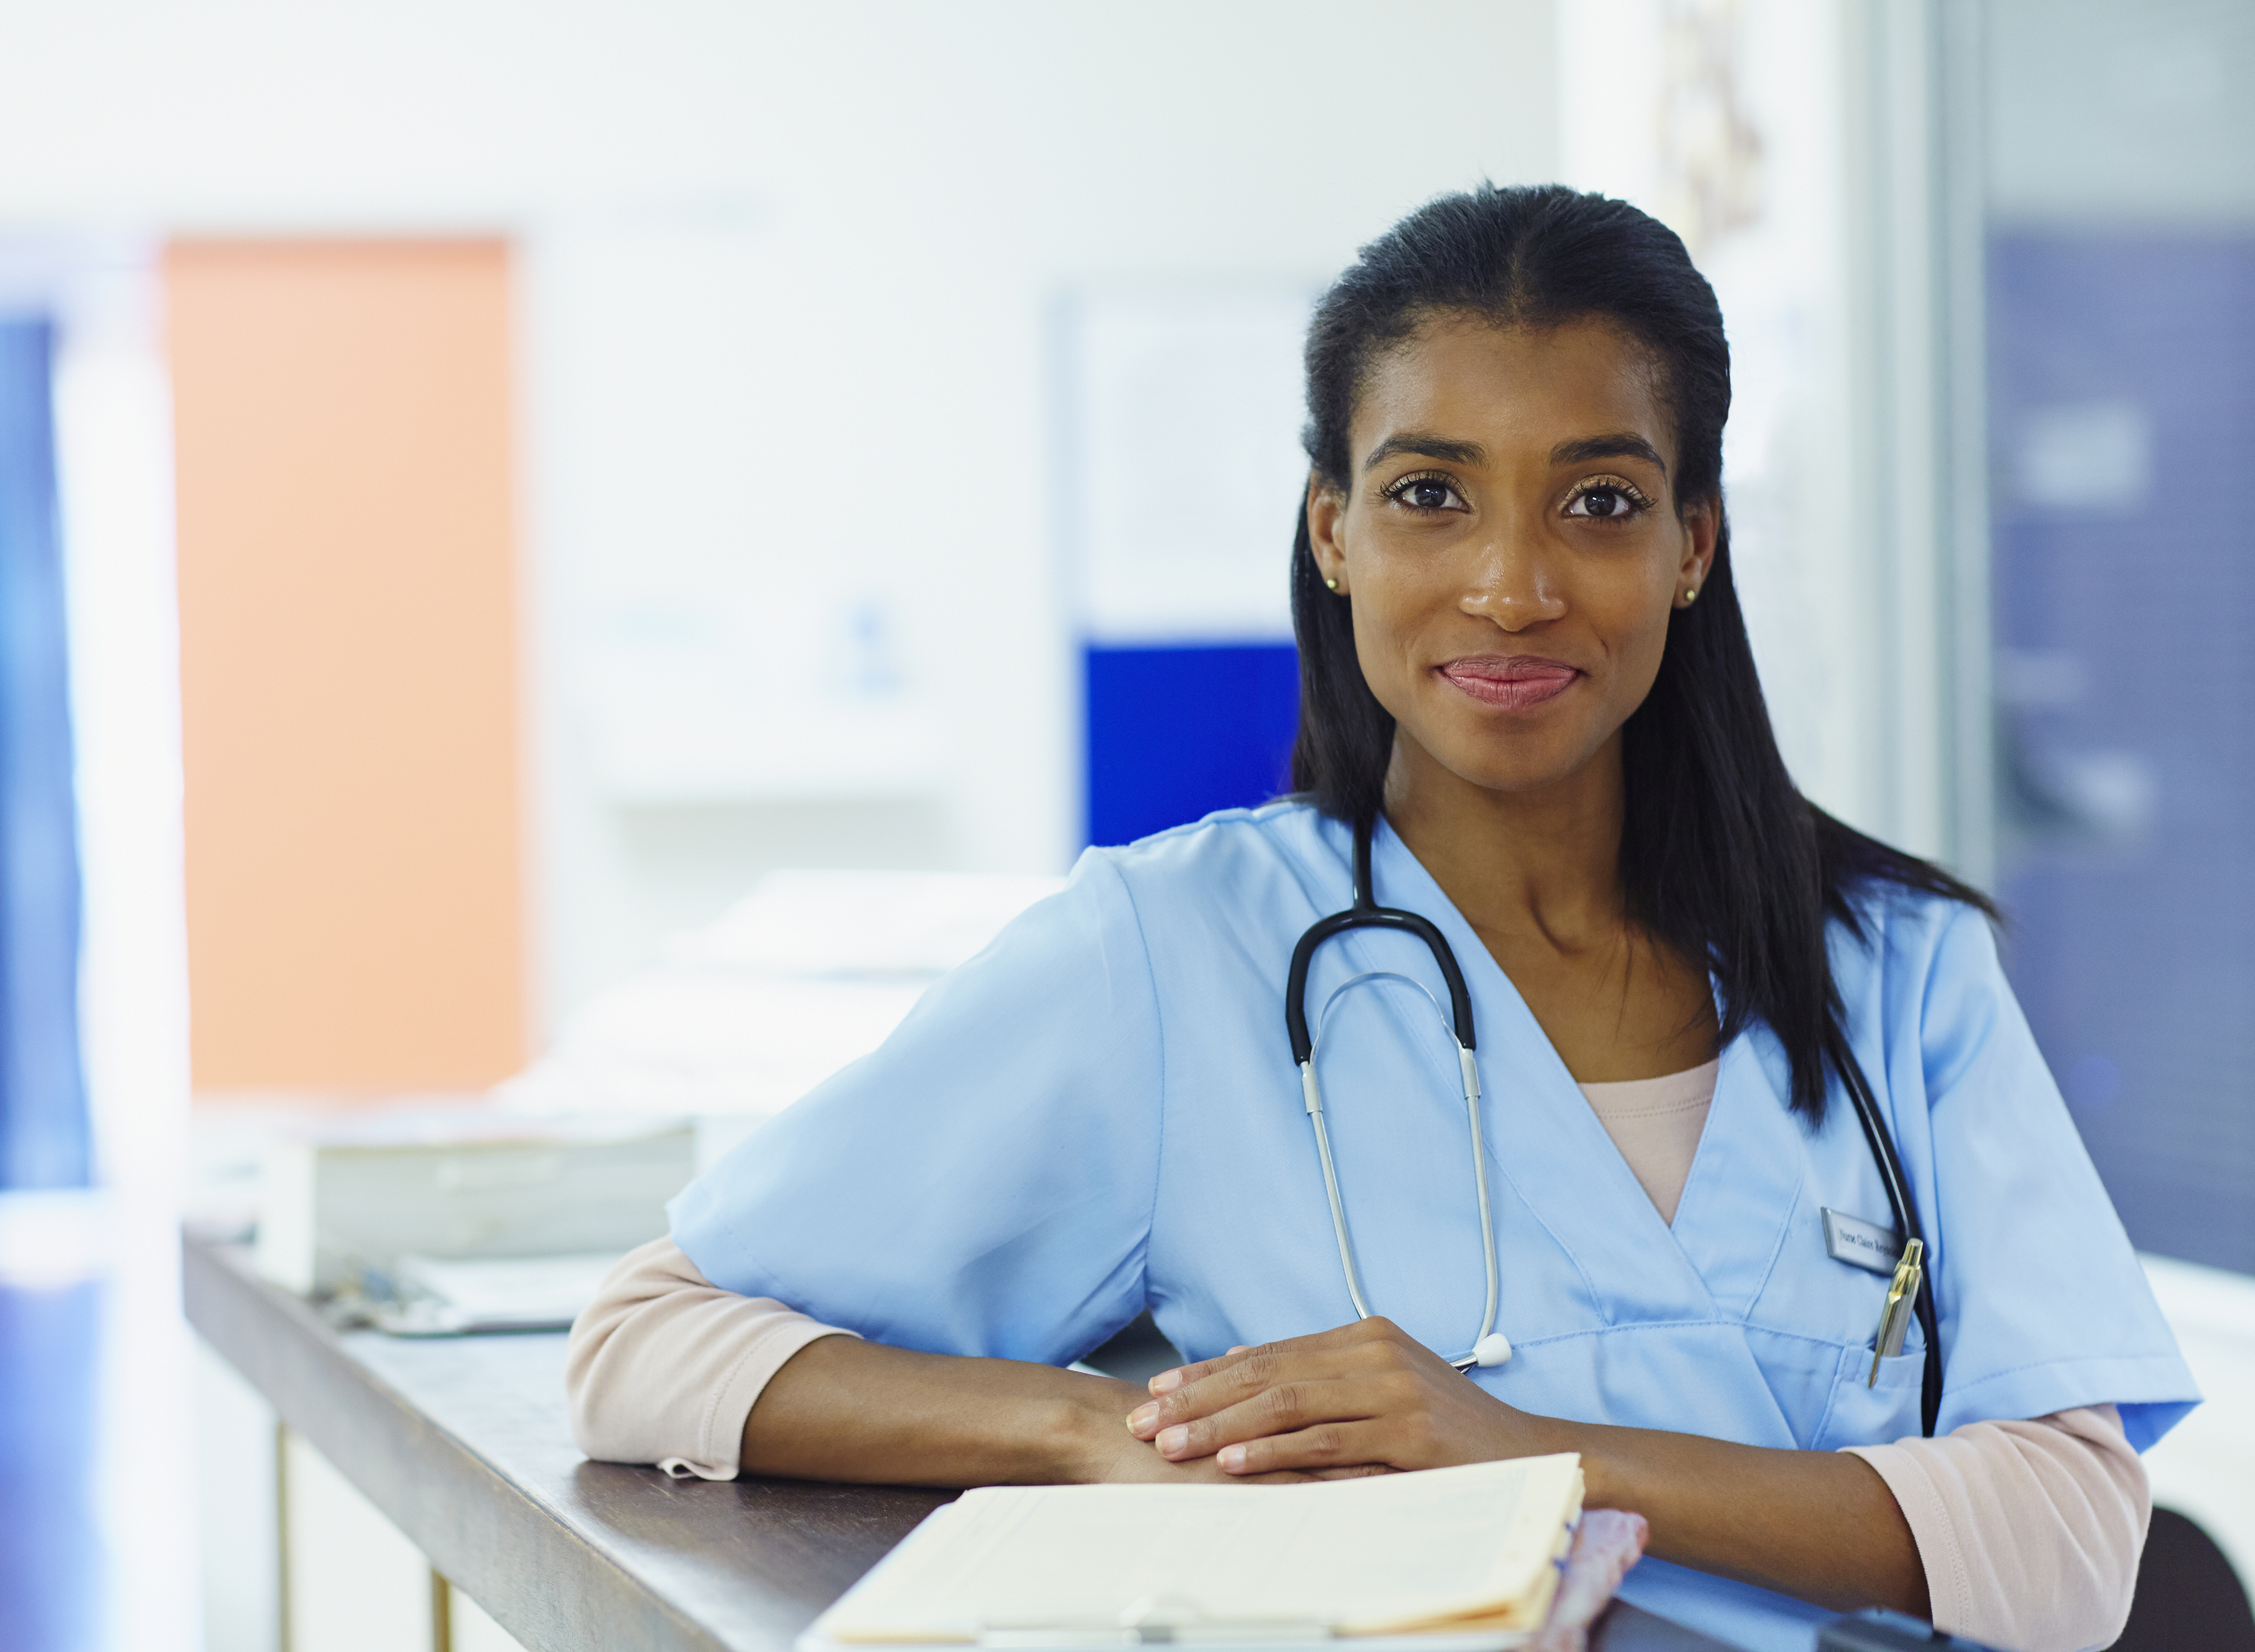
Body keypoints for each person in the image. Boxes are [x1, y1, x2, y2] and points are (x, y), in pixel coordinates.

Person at [566, 186, 2197, 1652]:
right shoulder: (1175, 948)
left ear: (1694, 545)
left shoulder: (1902, 969)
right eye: (1431, 494)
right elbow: (649, 1342)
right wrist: (1088, 1431)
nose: (1510, 584)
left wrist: (1517, 1455)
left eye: (1601, 503)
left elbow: (2068, 1548)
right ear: (1332, 530)